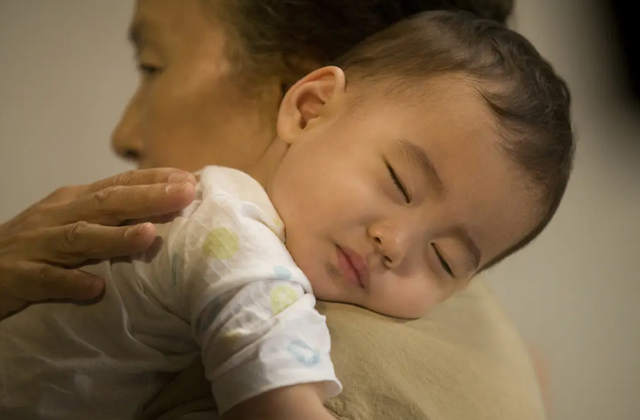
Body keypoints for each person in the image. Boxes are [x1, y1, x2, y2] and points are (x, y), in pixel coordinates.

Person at [0, 1, 555, 419]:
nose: (396, 242)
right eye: (397, 182)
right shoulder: (227, 231)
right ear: (311, 107)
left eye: (446, 258)